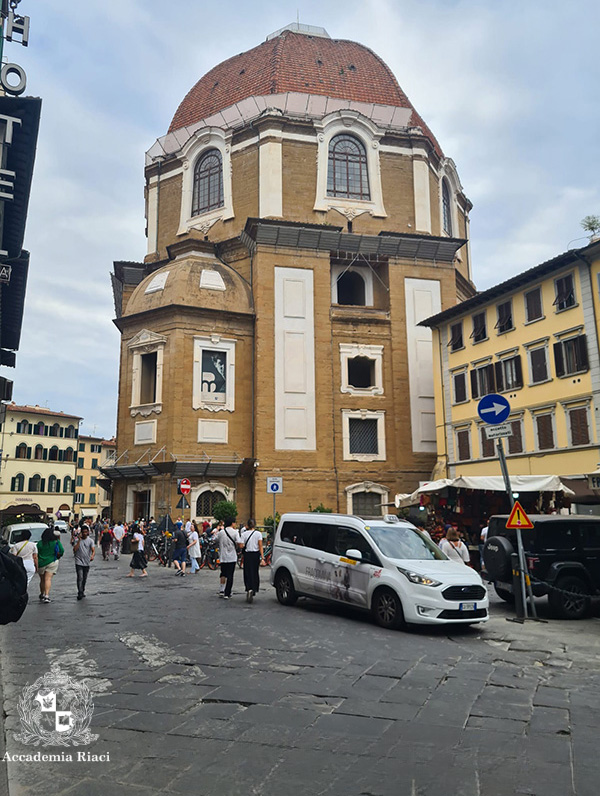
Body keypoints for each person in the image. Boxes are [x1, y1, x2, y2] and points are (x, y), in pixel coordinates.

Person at [239, 519, 264, 603]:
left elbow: (241, 545)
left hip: (247, 555)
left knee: (247, 572)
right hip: (255, 554)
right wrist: (262, 557)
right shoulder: (258, 534)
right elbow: (260, 545)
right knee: (255, 571)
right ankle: (254, 588)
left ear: (247, 525)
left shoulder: (244, 534)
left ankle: (248, 587)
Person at [37, 528, 65, 603]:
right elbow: (61, 550)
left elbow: (36, 554)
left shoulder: (39, 543)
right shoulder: (56, 542)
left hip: (41, 562)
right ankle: (47, 596)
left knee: (42, 580)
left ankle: (42, 593)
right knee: (48, 579)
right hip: (52, 561)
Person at [216, 518, 240, 599]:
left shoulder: (221, 532)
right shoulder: (235, 532)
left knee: (223, 573)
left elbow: (215, 539)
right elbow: (239, 543)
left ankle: (222, 590)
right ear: (232, 523)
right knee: (230, 575)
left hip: (223, 556)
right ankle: (227, 592)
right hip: (232, 557)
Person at [73, 525, 95, 600]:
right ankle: (80, 592)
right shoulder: (77, 540)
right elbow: (75, 550)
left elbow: (93, 550)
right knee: (80, 577)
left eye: (86, 532)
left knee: (84, 578)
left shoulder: (90, 541)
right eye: (83, 532)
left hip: (87, 562)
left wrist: (92, 556)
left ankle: (83, 589)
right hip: (78, 561)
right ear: (81, 533)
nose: (85, 533)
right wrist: (79, 540)